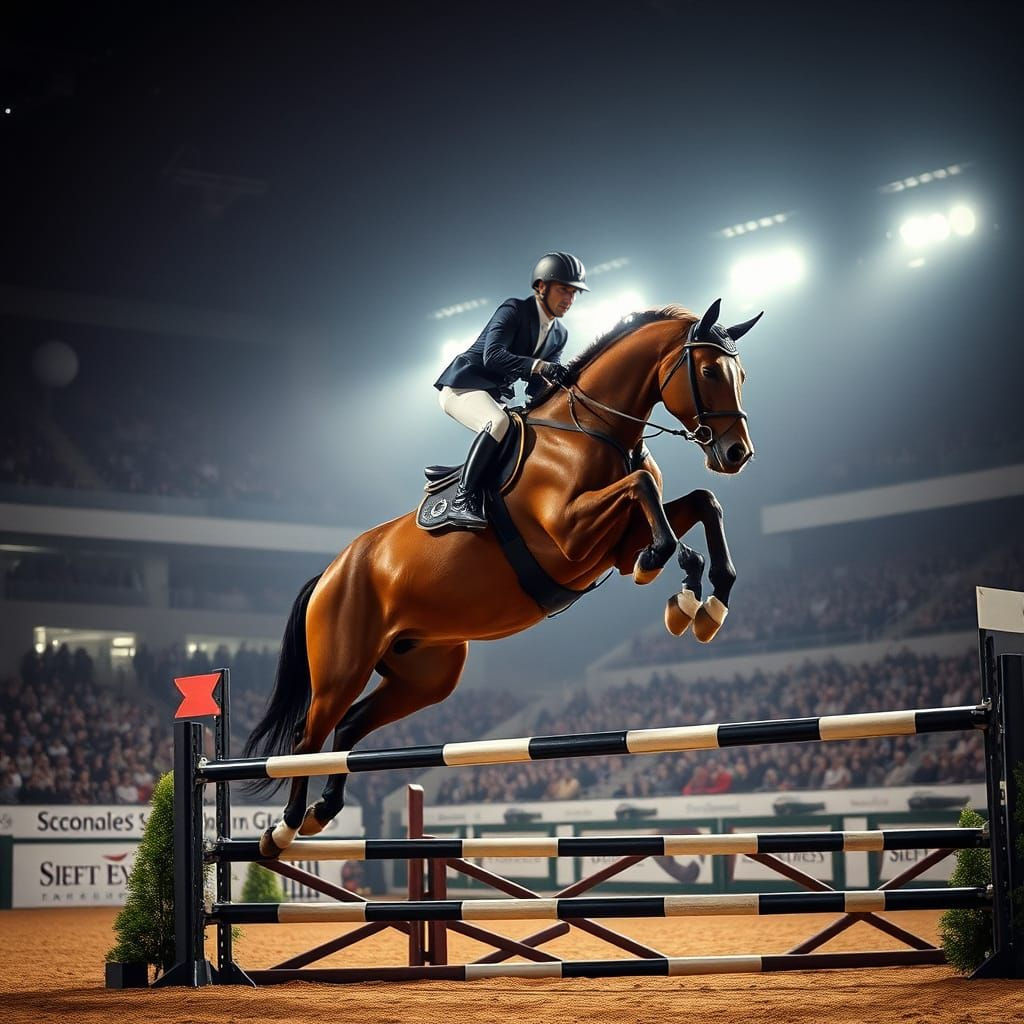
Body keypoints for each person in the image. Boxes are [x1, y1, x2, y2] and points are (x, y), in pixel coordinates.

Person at [433, 252, 588, 528]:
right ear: (541, 286)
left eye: (574, 292)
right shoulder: (514, 309)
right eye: (564, 289)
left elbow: (538, 384)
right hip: (463, 385)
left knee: (526, 432)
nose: (570, 299)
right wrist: (541, 366)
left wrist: (567, 391)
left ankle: (476, 484)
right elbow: (492, 357)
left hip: (493, 395)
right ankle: (461, 500)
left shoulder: (559, 334)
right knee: (498, 422)